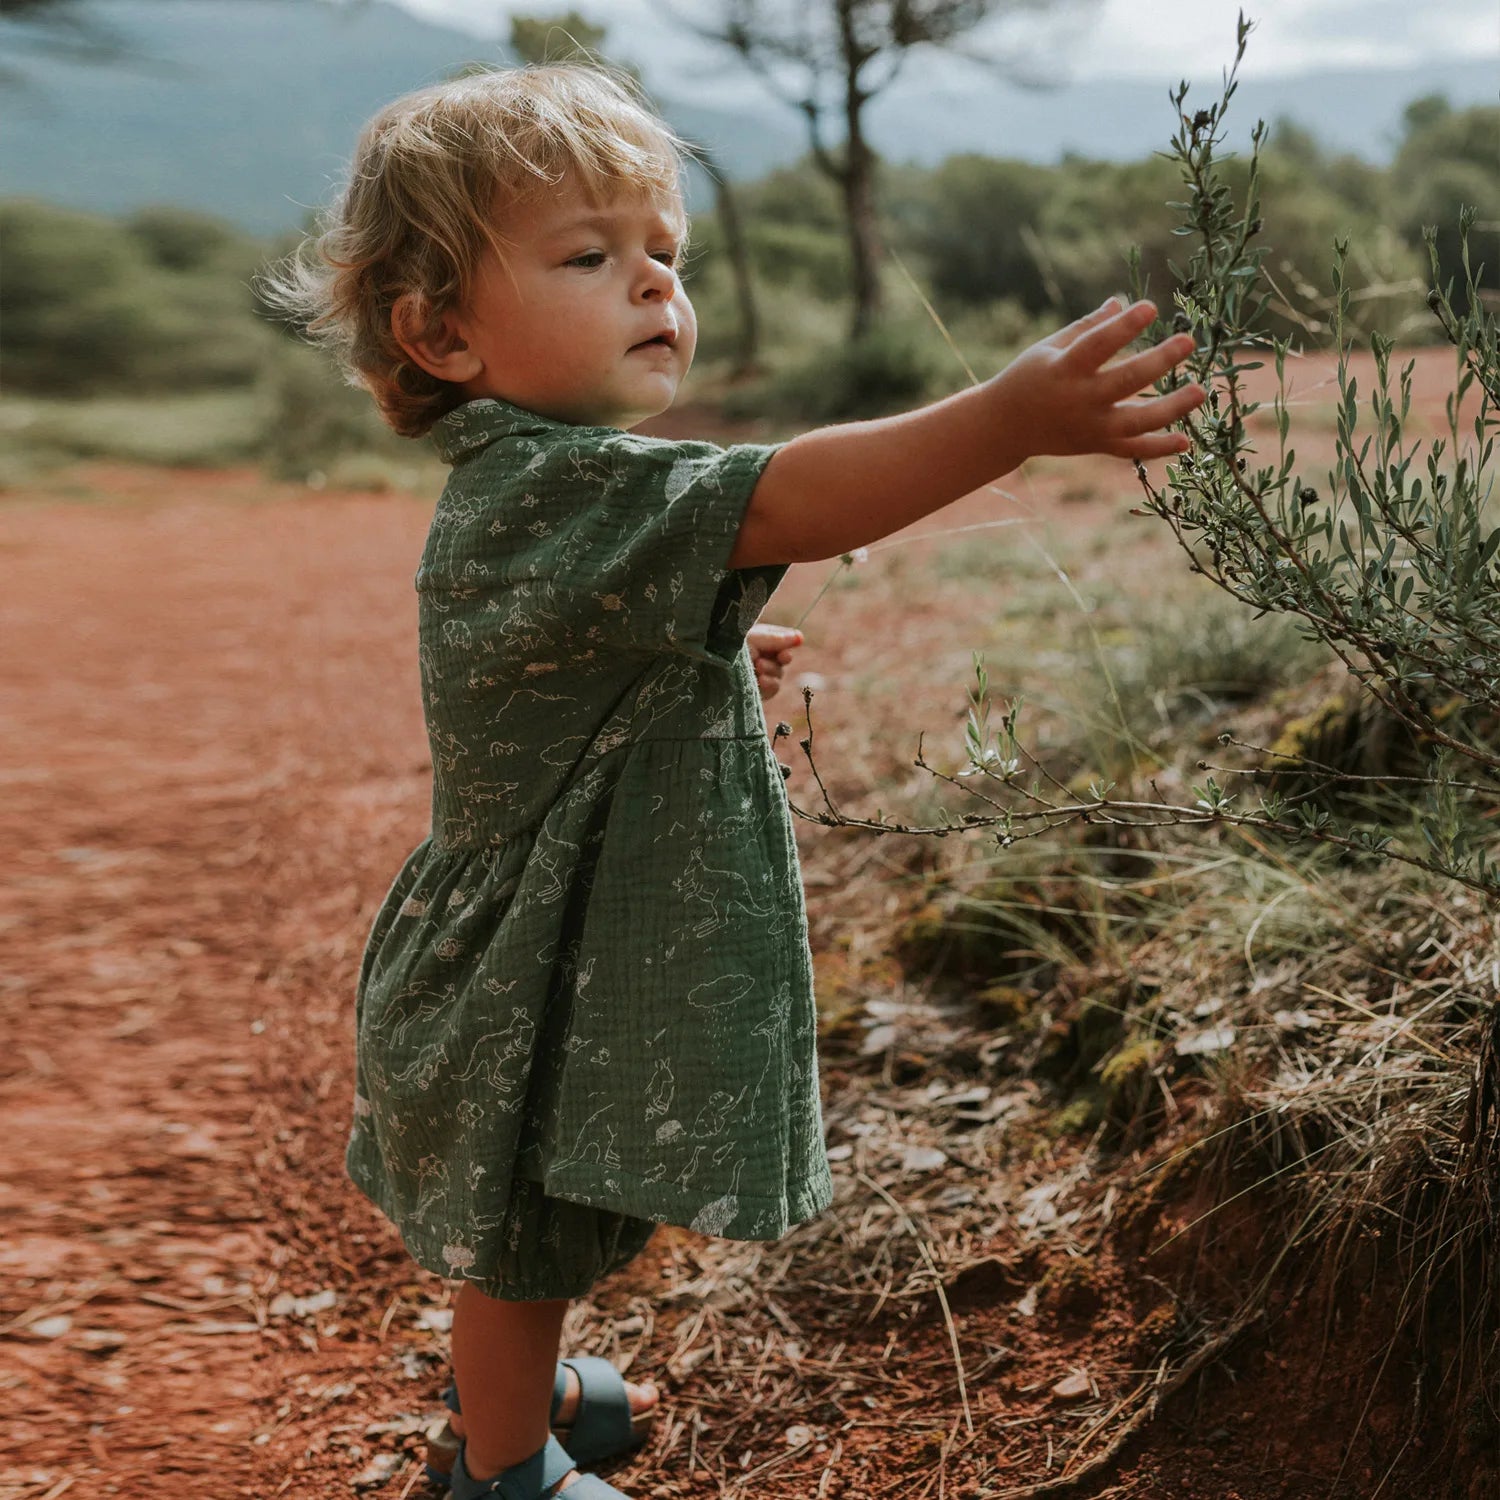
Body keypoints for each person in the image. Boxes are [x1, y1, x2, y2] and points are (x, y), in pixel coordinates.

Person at [264, 62, 1206, 1500]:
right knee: (519, 1237)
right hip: (525, 968)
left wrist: (688, 664)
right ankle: (500, 1467)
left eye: (665, 253)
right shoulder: (561, 488)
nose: (653, 287)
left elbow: (568, 663)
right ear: (442, 332)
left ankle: (514, 1395)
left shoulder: (554, 484)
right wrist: (1007, 417)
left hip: (540, 952)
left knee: (547, 1215)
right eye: (589, 257)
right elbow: (790, 496)